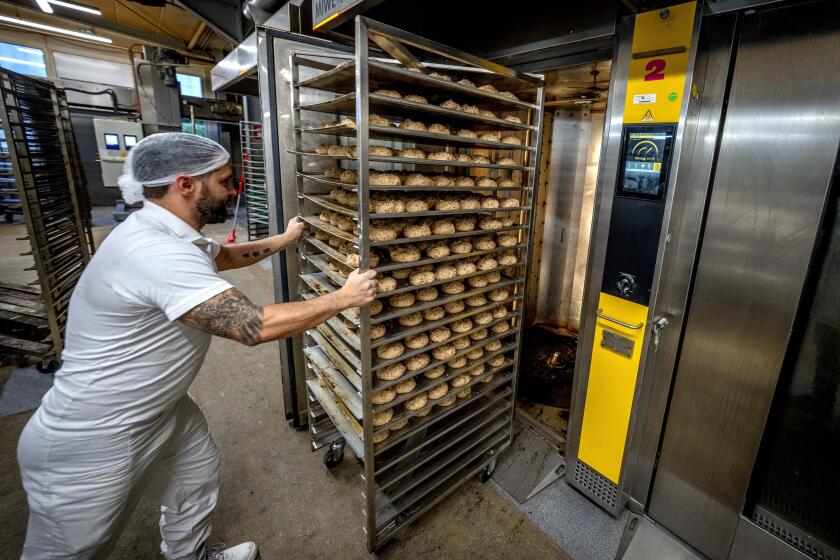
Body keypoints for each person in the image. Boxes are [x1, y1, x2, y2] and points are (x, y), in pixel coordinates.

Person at [16, 133, 377, 559]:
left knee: (196, 473)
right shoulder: (153, 251)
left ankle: (189, 555)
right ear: (186, 184)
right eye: (224, 181)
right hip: (96, 431)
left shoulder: (168, 229)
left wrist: (282, 240)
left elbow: (220, 258)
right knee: (71, 550)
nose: (233, 189)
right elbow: (251, 326)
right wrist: (343, 298)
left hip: (159, 406)